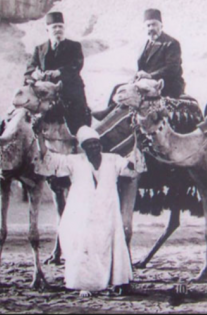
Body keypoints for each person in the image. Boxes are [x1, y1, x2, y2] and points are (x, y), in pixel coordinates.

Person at [33, 125, 135, 297]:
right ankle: (85, 284)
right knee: (84, 246)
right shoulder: (75, 161)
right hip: (83, 214)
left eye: (96, 143)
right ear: (83, 147)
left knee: (111, 245)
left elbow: (130, 168)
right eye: (90, 145)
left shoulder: (112, 159)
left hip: (107, 213)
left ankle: (116, 282)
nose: (94, 147)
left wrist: (137, 143)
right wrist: (39, 138)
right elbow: (49, 159)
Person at [92, 8, 186, 120]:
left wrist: (150, 76)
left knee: (130, 94)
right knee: (118, 87)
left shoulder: (171, 43)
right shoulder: (146, 44)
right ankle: (110, 116)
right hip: (145, 83)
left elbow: (173, 68)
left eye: (154, 25)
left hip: (167, 84)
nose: (151, 28)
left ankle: (113, 117)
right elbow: (142, 68)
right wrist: (136, 77)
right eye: (148, 26)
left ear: (161, 26)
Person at [24, 11, 91, 135]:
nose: (58, 29)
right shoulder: (39, 49)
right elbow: (29, 69)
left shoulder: (74, 46)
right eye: (54, 27)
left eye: (60, 26)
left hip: (70, 93)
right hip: (45, 96)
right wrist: (34, 75)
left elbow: (76, 65)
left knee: (78, 126)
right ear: (47, 29)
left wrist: (58, 72)